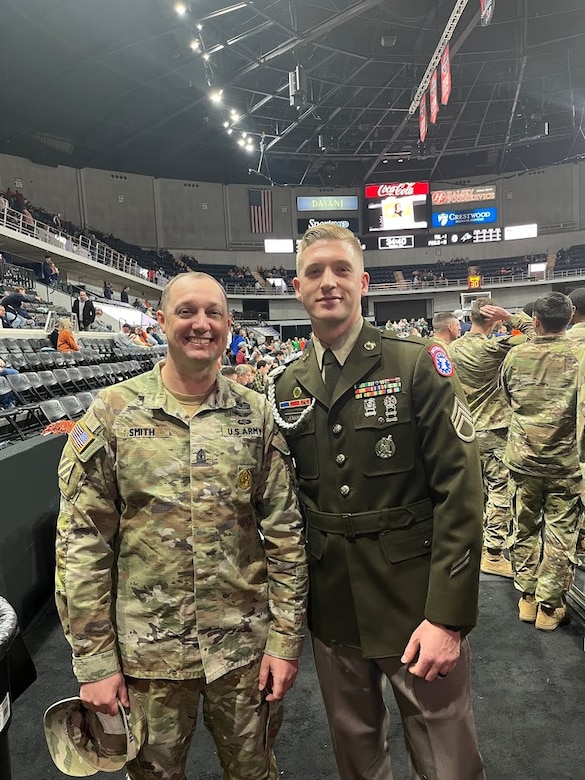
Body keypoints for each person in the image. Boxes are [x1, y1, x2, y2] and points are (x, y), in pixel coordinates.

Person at [55, 271, 308, 780]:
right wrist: (95, 662)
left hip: (241, 653)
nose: (201, 324)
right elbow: (82, 545)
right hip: (148, 659)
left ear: (229, 325)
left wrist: (285, 641)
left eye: (214, 313)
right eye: (187, 311)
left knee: (255, 773)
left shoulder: (255, 416)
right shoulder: (113, 414)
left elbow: (285, 537)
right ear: (162, 320)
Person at [270, 225, 485, 780]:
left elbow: (460, 493)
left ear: (363, 282)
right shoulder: (288, 384)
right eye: (314, 272)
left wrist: (447, 615)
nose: (328, 283)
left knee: (447, 759)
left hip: (415, 602)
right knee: (355, 754)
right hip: (334, 603)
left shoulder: (416, 363)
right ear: (298, 288)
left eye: (341, 270)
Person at [501, 291, 584, 631]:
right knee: (561, 532)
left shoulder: (516, 356)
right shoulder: (579, 356)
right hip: (566, 463)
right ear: (571, 315)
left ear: (534, 321)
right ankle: (550, 607)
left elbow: (507, 395)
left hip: (523, 458)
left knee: (524, 525)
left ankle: (528, 597)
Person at [448, 298, 534, 578]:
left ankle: (469, 546)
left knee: (472, 493)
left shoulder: (452, 349)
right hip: (494, 430)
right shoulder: (494, 347)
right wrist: (510, 316)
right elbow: (538, 336)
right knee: (499, 492)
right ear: (493, 320)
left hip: (463, 431)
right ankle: (494, 553)